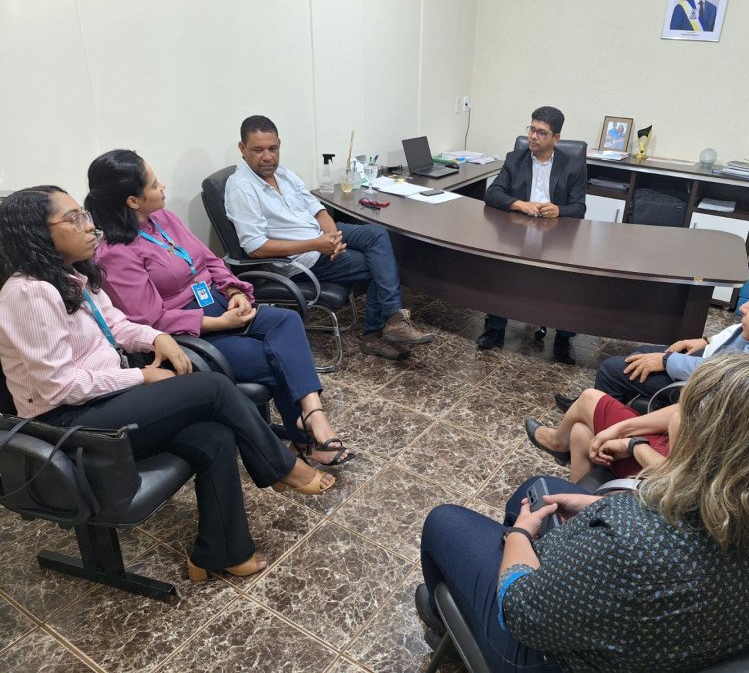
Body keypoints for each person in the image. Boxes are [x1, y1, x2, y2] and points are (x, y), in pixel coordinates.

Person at [418, 354, 749, 671]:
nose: (670, 425)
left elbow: (521, 610)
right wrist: (599, 505)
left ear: (704, 444)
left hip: (554, 657)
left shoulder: (627, 543)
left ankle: (449, 620)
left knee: (445, 521)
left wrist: (521, 538)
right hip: (678, 642)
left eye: (682, 415)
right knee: (534, 492)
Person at [0, 186, 336, 580]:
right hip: (63, 424)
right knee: (211, 388)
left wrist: (156, 338)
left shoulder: (74, 275)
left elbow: (117, 325)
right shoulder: (29, 294)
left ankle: (221, 552)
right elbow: (58, 387)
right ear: (37, 233)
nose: (90, 226)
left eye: (85, 215)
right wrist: (140, 374)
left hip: (103, 403)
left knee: (213, 436)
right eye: (74, 219)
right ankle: (280, 467)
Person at [86, 149, 351, 467]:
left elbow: (210, 261)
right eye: (155, 185)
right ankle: (308, 436)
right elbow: (150, 320)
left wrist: (234, 289)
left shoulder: (163, 219)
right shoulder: (115, 254)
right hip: (190, 333)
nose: (163, 187)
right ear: (132, 201)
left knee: (286, 321)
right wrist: (220, 323)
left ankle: (311, 416)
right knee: (278, 359)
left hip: (219, 303)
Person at [529, 261, 749, 481]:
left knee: (587, 405)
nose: (742, 307)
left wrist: (632, 445)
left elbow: (692, 481)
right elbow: (688, 409)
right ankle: (576, 521)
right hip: (677, 452)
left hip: (671, 476)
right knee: (582, 434)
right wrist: (625, 427)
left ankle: (562, 456)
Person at [555, 211, 749, 409]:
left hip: (710, 388)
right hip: (715, 364)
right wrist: (707, 342)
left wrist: (667, 361)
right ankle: (596, 410)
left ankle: (598, 414)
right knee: (643, 352)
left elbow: (734, 370)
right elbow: (742, 345)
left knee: (614, 367)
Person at [224, 115, 433, 361]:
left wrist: (331, 237)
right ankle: (375, 334)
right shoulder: (241, 187)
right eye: (258, 150)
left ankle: (393, 320)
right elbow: (255, 247)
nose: (268, 157)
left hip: (319, 238)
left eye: (273, 148)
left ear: (279, 143)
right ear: (242, 148)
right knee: (378, 263)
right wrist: (317, 244)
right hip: (301, 260)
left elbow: (317, 208)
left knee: (378, 235)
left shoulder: (283, 174)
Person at [481, 106, 587, 364]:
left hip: (555, 234)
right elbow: (492, 194)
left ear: (556, 138)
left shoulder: (572, 165)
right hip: (518, 229)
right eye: (531, 129)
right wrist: (521, 204)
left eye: (541, 132)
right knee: (500, 266)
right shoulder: (514, 158)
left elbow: (580, 208)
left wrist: (559, 209)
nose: (533, 137)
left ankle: (563, 339)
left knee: (565, 279)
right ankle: (495, 329)